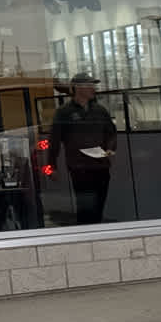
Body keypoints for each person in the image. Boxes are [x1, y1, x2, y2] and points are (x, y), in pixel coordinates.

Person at [47, 73, 118, 224]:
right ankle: (85, 235)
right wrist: (51, 167)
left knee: (99, 205)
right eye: (89, 85)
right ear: (78, 88)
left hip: (101, 166)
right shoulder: (64, 112)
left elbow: (111, 133)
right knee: (85, 207)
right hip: (79, 167)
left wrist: (110, 149)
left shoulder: (100, 110)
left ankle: (97, 235)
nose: (93, 88)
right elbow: (54, 141)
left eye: (93, 85)